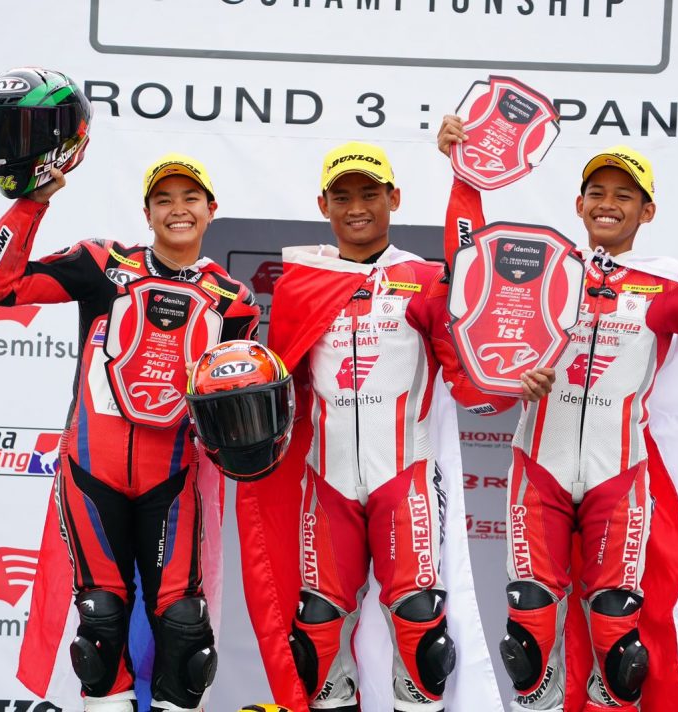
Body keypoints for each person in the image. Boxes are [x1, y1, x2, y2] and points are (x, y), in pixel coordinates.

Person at [438, 116, 678, 712]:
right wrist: (465, 178)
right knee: (527, 636)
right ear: (578, 204)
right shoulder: (540, 270)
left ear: (647, 212)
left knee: (619, 644)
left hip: (620, 476)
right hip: (539, 471)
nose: (608, 204)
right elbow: (466, 268)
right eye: (597, 192)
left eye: (624, 195)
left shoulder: (670, 288)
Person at [235, 141, 555, 712]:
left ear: (394, 198)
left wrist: (510, 383)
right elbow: (282, 392)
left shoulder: (426, 279)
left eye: (370, 194)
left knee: (420, 625)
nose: (357, 207)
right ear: (323, 205)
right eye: (342, 197)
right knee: (316, 628)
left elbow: (467, 383)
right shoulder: (300, 283)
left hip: (404, 480)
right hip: (326, 484)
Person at [0, 153, 260, 712]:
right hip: (91, 471)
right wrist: (33, 202)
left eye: (190, 198)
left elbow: (234, 405)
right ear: (147, 213)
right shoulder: (105, 263)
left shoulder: (233, 300)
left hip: (173, 480)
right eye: (163, 200)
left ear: (211, 209)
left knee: (185, 626)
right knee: (100, 621)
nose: (178, 210)